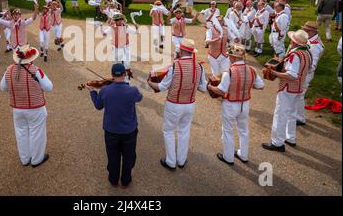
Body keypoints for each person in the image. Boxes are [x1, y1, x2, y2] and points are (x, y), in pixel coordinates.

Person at [147, 39, 207, 170]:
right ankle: (181, 160)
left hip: (174, 103)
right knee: (184, 131)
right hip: (190, 103)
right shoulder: (199, 66)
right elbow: (203, 88)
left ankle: (170, 161)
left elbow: (163, 86)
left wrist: (150, 83)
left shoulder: (175, 65)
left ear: (181, 50)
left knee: (168, 131)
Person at [87, 63, 143, 188]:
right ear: (124, 74)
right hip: (129, 131)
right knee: (129, 156)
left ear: (112, 75)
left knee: (113, 156)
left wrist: (92, 91)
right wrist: (127, 86)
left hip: (111, 131)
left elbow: (98, 105)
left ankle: (113, 180)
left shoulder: (105, 90)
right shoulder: (132, 90)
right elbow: (140, 98)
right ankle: (125, 181)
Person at [207, 44, 265, 165]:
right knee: (243, 130)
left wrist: (211, 87)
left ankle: (228, 157)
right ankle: (243, 155)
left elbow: (222, 90)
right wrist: (248, 85)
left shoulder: (229, 72)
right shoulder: (252, 70)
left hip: (231, 104)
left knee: (228, 130)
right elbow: (261, 85)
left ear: (232, 58)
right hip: (245, 104)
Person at [0, 45, 53, 168]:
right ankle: (36, 159)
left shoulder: (9, 70)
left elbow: (3, 87)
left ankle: (24, 159)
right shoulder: (35, 70)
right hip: (35, 108)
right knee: (37, 132)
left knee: (21, 133)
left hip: (17, 108)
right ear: (31, 58)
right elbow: (49, 87)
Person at [262, 30, 312, 152]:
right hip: (299, 88)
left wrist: (274, 72)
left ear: (294, 42)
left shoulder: (295, 55)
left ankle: (277, 142)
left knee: (281, 114)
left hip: (288, 88)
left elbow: (292, 75)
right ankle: (291, 138)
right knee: (292, 113)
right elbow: (308, 69)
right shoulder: (307, 53)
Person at [296, 22, 325, 125]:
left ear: (313, 31)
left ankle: (300, 118)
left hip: (305, 73)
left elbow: (312, 65)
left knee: (299, 95)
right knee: (298, 94)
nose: (304, 32)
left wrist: (300, 72)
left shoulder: (315, 46)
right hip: (303, 71)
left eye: (306, 30)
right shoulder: (311, 40)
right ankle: (297, 115)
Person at [102, 13, 138, 81]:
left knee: (127, 64)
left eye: (120, 19)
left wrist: (136, 26)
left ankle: (126, 80)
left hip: (125, 48)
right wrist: (100, 27)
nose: (119, 21)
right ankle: (117, 78)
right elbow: (104, 34)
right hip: (116, 48)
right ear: (115, 20)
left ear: (122, 20)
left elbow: (135, 32)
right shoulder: (112, 27)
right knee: (117, 63)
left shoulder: (126, 27)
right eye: (117, 20)